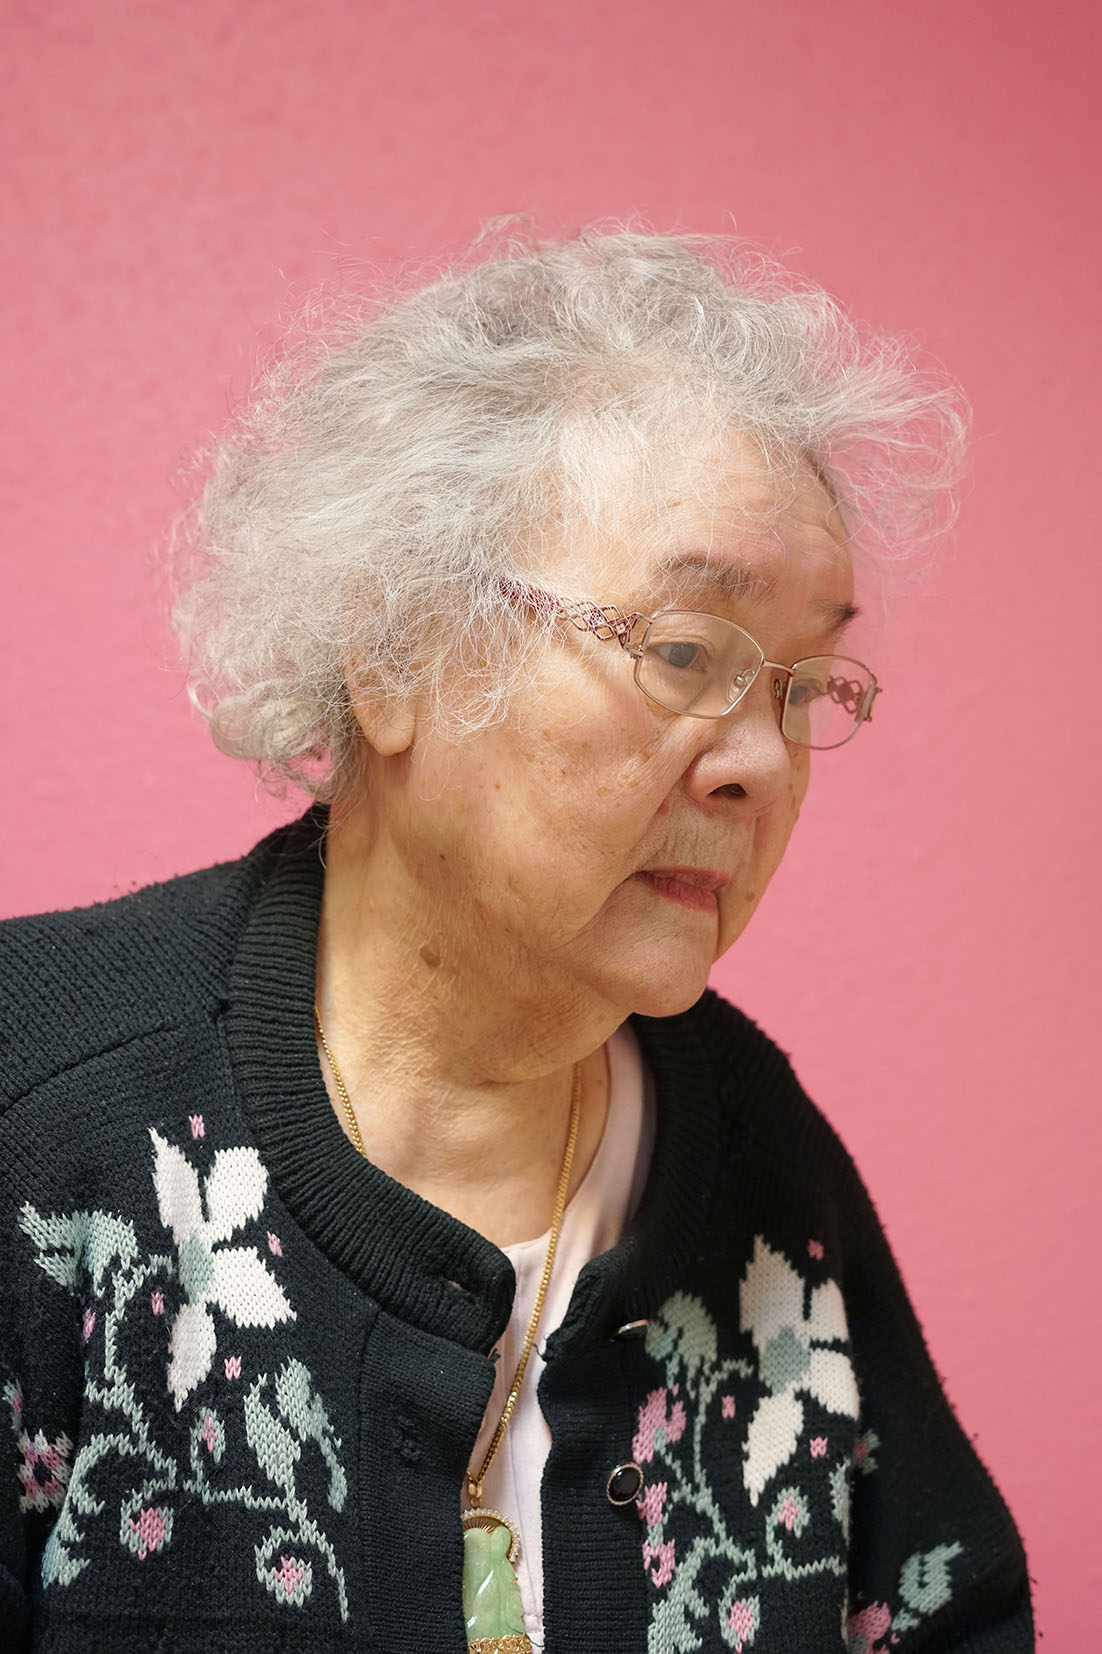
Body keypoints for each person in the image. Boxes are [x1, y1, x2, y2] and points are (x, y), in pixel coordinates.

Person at [0, 230, 1031, 1653]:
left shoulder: (757, 1155)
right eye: (686, 652)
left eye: (800, 688)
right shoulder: (38, 1105)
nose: (761, 765)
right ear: (395, 653)